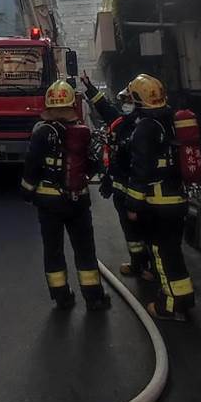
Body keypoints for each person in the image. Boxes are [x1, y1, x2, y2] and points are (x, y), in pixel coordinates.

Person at [21, 80, 111, 312]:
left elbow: (32, 166)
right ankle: (95, 298)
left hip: (49, 203)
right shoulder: (83, 132)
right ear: (72, 104)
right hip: (78, 201)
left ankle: (62, 297)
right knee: (85, 250)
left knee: (53, 250)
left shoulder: (42, 133)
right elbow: (94, 163)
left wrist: (28, 192)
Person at [125, 74, 195, 322]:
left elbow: (141, 168)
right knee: (173, 251)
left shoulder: (145, 128)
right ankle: (184, 298)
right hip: (177, 197)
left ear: (138, 99)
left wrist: (133, 204)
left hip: (158, 202)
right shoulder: (171, 119)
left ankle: (170, 305)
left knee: (162, 253)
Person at [80, 72, 153, 282]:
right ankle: (138, 263)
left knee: (146, 231)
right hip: (122, 189)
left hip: (141, 193)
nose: (125, 105)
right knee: (130, 233)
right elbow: (103, 107)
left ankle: (151, 268)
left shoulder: (145, 127)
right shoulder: (120, 121)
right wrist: (89, 86)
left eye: (129, 101)